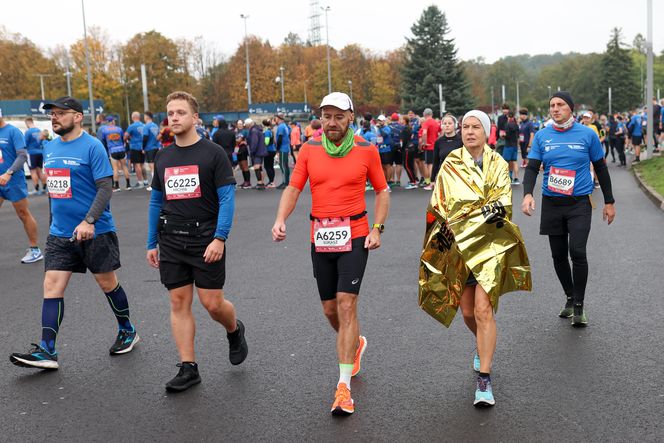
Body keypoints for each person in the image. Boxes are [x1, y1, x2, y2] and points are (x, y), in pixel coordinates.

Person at [272, 92, 389, 415]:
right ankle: (354, 343)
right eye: (327, 116)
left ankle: (343, 388)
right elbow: (294, 187)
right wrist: (281, 219)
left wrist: (377, 228)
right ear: (320, 118)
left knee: (346, 303)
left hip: (355, 234)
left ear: (351, 117)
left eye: (339, 116)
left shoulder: (367, 149)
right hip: (321, 236)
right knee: (329, 310)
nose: (332, 122)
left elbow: (382, 191)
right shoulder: (309, 149)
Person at [10, 96, 139, 370]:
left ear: (78, 117)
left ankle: (127, 330)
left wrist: (89, 220)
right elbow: (56, 190)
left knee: (107, 283)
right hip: (60, 234)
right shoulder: (50, 147)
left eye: (60, 113)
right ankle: (47, 350)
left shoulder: (93, 146)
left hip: (96, 231)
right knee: (51, 286)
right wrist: (54, 222)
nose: (54, 117)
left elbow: (105, 187)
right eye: (52, 114)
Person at [418, 109, 531, 407]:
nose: (469, 132)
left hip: (490, 246)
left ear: (486, 131)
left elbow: (502, 205)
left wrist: (466, 218)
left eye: (475, 127)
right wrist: (437, 242)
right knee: (467, 313)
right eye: (465, 127)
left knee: (483, 311)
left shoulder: (497, 164)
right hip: (458, 247)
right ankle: (482, 343)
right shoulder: (451, 163)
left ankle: (484, 379)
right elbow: (439, 205)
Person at [146, 91, 248, 392]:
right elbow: (156, 201)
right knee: (178, 301)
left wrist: (220, 238)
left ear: (195, 118)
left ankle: (234, 329)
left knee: (212, 304)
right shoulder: (163, 156)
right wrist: (152, 242)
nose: (174, 118)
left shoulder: (213, 153)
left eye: (180, 112)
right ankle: (188, 367)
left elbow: (227, 199)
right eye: (170, 113)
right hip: (171, 239)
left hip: (206, 238)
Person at [521, 91, 616, 327]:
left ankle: (580, 305)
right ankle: (570, 297)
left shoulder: (587, 134)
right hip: (552, 203)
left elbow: (601, 168)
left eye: (560, 104)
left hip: (579, 203)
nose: (555, 108)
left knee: (578, 252)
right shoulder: (542, 136)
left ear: (570, 108)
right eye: (552, 105)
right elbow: (532, 168)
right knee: (558, 255)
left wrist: (609, 201)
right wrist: (527, 194)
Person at [0, 112, 43, 263]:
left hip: (13, 180)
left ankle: (35, 249)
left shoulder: (12, 131)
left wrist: (9, 172)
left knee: (23, 213)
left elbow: (22, 155)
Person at [99, 116, 131, 192]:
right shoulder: (119, 129)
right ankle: (128, 185)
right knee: (124, 167)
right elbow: (123, 138)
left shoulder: (104, 130)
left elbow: (103, 141)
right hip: (121, 149)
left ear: (107, 122)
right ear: (112, 121)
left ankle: (117, 186)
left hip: (112, 150)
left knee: (115, 168)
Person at [431, 114, 463, 181]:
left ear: (455, 125)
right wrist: (432, 179)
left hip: (458, 176)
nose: (447, 125)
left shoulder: (461, 141)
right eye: (445, 123)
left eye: (450, 123)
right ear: (442, 126)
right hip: (443, 176)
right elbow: (435, 162)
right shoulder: (438, 142)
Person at [24, 117, 47, 195]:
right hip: (40, 152)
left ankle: (36, 190)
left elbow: (25, 144)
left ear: (27, 123)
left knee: (33, 171)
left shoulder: (28, 132)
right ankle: (44, 188)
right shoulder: (39, 130)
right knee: (40, 171)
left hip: (31, 153)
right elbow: (42, 141)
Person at [124, 111, 146, 189]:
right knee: (142, 164)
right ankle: (145, 181)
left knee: (137, 165)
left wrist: (128, 138)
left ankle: (140, 182)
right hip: (143, 147)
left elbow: (125, 136)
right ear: (139, 117)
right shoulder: (144, 125)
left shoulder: (132, 126)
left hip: (134, 147)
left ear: (133, 117)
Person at [420, 108, 440, 190]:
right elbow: (440, 132)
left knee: (429, 164)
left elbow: (424, 133)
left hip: (429, 146)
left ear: (424, 114)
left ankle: (432, 183)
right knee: (435, 164)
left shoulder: (426, 122)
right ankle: (435, 182)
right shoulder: (435, 122)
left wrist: (424, 143)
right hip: (435, 145)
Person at [142, 111, 161, 191]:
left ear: (147, 117)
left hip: (149, 148)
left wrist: (143, 147)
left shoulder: (146, 126)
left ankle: (154, 185)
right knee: (156, 165)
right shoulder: (155, 125)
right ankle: (158, 183)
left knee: (152, 166)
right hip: (156, 147)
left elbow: (145, 137)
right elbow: (159, 136)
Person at [246, 118, 266, 189]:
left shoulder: (253, 131)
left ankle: (260, 183)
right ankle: (261, 182)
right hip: (261, 150)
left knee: (256, 167)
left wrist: (252, 151)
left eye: (247, 125)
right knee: (260, 167)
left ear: (249, 124)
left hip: (257, 151)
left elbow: (254, 142)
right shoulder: (258, 129)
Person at [376, 115, 394, 186]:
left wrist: (380, 127)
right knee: (382, 166)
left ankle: (389, 181)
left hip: (386, 149)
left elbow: (384, 135)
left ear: (384, 121)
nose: (379, 122)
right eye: (378, 121)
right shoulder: (378, 129)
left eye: (381, 121)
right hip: (380, 149)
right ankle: (385, 182)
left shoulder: (387, 128)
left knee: (387, 166)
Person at [503, 112, 520, 185]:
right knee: (514, 161)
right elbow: (518, 135)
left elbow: (507, 135)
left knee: (506, 162)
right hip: (515, 145)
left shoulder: (507, 125)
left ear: (508, 117)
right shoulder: (516, 125)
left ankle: (508, 177)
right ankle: (516, 178)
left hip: (508, 145)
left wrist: (503, 135)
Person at [274, 113, 290, 189]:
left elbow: (280, 138)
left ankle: (285, 183)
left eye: (276, 118)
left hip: (283, 148)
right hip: (286, 147)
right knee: (285, 166)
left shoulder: (281, 127)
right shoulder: (285, 125)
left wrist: (277, 148)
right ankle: (286, 182)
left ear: (279, 118)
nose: (275, 120)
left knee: (283, 166)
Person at [388, 113, 405, 186]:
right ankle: (398, 180)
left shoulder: (388, 127)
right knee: (399, 164)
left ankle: (392, 179)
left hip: (391, 146)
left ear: (391, 119)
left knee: (391, 164)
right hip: (399, 146)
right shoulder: (401, 126)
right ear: (398, 119)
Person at [263, 119, 277, 188]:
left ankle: (271, 182)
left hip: (268, 151)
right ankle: (272, 181)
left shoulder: (267, 132)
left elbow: (266, 142)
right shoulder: (271, 131)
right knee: (271, 166)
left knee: (267, 166)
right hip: (273, 150)